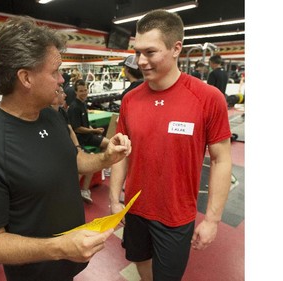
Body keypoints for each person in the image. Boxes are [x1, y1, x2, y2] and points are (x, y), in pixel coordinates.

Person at [0, 15, 132, 281]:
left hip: (69, 265)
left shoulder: (51, 115)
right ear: (25, 78)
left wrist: (105, 159)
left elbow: (72, 160)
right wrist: (60, 247)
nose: (62, 80)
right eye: (55, 72)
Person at [109, 9, 232, 281]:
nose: (140, 61)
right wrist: (114, 199)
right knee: (140, 263)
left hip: (175, 215)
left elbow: (222, 160)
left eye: (150, 52)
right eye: (137, 52)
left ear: (177, 48)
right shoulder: (131, 99)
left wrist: (212, 219)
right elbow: (121, 153)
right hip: (135, 209)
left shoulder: (207, 98)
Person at [51, 86, 94, 204]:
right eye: (62, 92)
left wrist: (78, 148)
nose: (65, 95)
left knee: (89, 160)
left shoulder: (62, 112)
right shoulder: (46, 114)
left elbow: (70, 131)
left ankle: (84, 190)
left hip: (70, 146)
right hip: (58, 151)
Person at [67, 79, 109, 151]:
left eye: (85, 90)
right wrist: (93, 131)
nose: (84, 93)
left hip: (88, 135)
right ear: (76, 92)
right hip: (81, 139)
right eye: (81, 91)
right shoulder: (74, 107)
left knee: (108, 143)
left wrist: (93, 130)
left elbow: (85, 123)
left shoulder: (83, 103)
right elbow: (77, 129)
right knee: (108, 143)